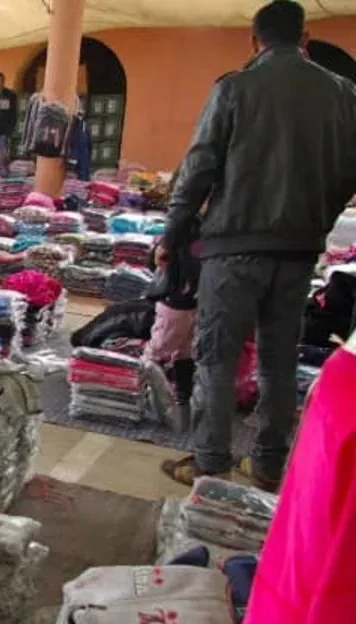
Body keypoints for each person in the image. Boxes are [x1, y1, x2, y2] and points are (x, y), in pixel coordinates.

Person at [159, 0, 356, 492]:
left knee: (217, 356)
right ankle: (269, 465)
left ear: (254, 40)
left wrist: (174, 231)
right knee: (279, 359)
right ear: (305, 39)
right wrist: (319, 221)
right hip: (299, 250)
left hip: (234, 246)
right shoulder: (343, 94)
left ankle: (211, 463)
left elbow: (199, 166)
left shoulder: (235, 87)